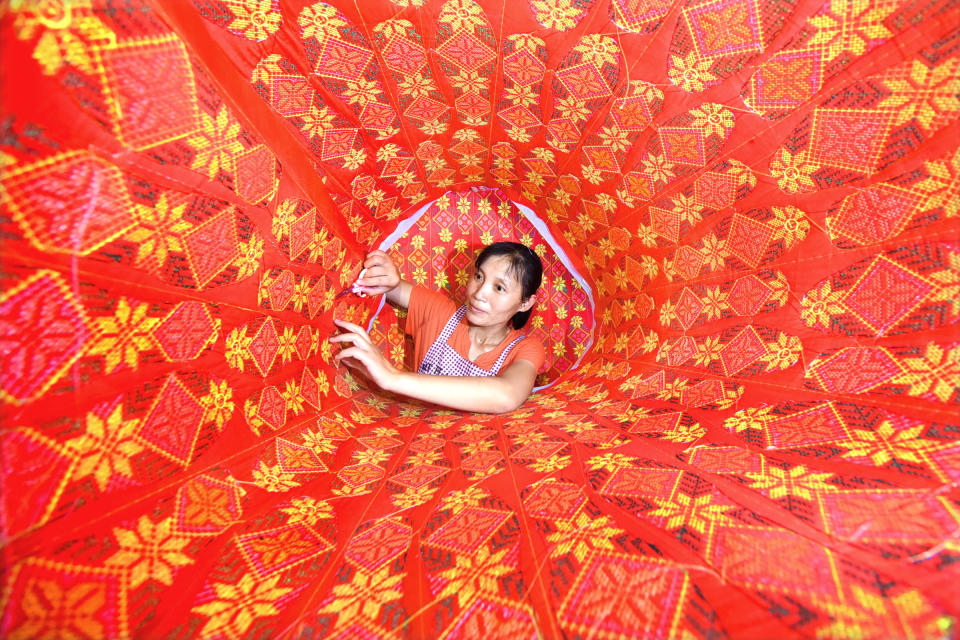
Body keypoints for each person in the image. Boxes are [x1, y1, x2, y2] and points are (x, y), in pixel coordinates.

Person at [330, 242, 546, 413]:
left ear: (526, 303)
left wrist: (392, 377)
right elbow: (391, 286)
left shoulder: (526, 348)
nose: (479, 294)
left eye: (499, 288)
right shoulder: (441, 311)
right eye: (479, 276)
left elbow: (507, 396)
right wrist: (388, 276)